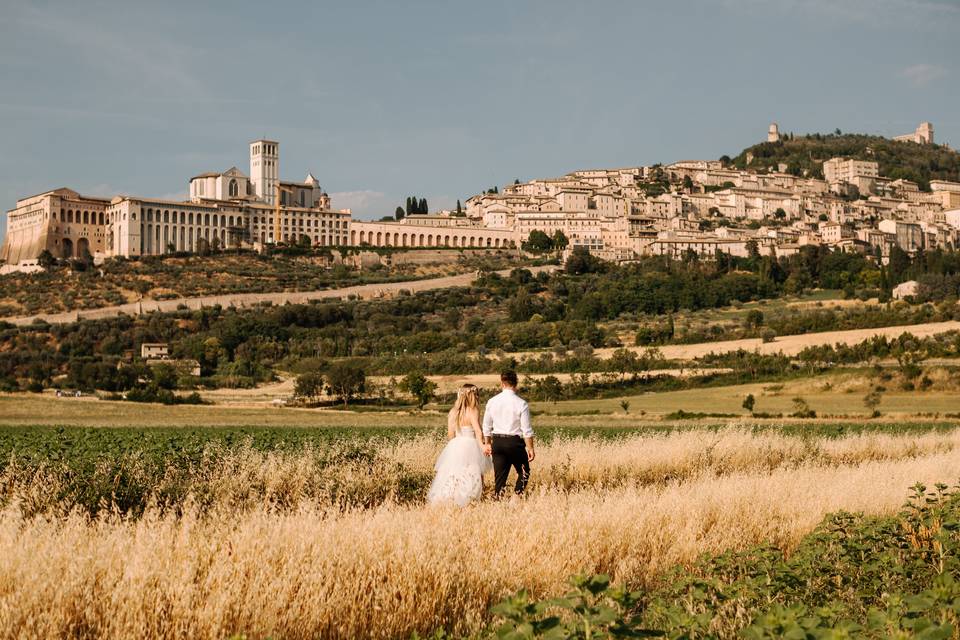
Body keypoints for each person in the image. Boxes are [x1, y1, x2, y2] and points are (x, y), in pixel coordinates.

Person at [427, 384, 492, 507]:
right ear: (472, 396)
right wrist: (483, 445)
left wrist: (455, 446)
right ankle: (471, 499)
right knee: (474, 472)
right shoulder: (473, 410)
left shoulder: (453, 412)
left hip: (456, 444)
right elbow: (478, 431)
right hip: (471, 444)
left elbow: (450, 434)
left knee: (453, 473)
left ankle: (450, 499)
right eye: (476, 394)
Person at [482, 371, 535, 498]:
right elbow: (526, 430)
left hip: (498, 442)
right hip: (514, 443)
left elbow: (486, 425)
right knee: (524, 472)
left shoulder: (492, 401)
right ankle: (517, 496)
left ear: (502, 383)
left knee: (500, 477)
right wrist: (530, 448)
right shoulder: (521, 403)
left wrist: (487, 443)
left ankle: (499, 500)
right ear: (516, 383)